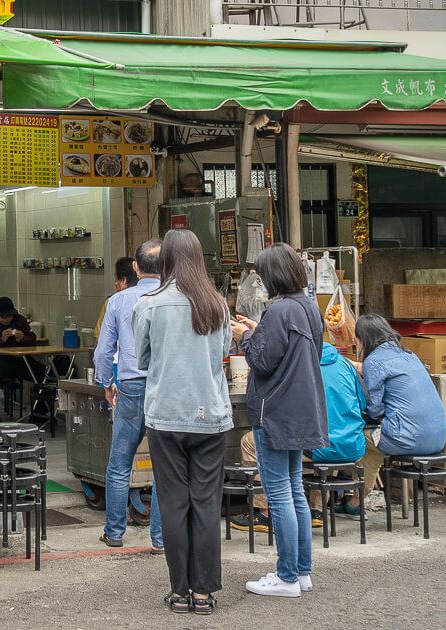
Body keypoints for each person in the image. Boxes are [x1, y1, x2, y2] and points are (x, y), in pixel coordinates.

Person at [133, 229, 233, 615]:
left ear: (167, 261)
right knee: (206, 504)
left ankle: (179, 592)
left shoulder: (150, 304)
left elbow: (142, 360)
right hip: (210, 416)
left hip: (165, 417)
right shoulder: (218, 305)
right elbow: (223, 353)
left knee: (173, 503)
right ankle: (204, 593)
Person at [232, 243, 329, 599]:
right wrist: (259, 329)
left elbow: (262, 362)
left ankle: (286, 576)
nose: (259, 283)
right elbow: (299, 354)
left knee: (279, 496)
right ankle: (302, 572)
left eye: (261, 277)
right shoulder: (308, 307)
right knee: (295, 492)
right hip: (301, 411)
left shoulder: (280, 311)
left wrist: (247, 336)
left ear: (273, 277)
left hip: (275, 413)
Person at [232, 341, 367, 531]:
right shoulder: (345, 364)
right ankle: (317, 510)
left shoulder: (297, 365)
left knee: (250, 441)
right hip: (352, 446)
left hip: (319, 447)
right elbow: (364, 403)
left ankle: (264, 512)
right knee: (332, 436)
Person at [93, 240, 163, 553]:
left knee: (120, 464)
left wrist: (107, 382)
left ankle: (115, 533)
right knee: (166, 467)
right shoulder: (175, 298)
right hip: (165, 388)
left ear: (135, 268)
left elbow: (104, 351)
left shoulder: (119, 301)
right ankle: (161, 539)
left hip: (131, 386)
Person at [356, 313, 446, 457]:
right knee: (375, 438)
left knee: (357, 440)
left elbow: (374, 411)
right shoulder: (409, 355)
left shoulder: (373, 361)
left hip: (406, 441)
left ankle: (363, 480)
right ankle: (371, 481)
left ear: (363, 340)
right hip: (439, 440)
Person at [0, 296, 39, 396]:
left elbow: (33, 341)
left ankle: (42, 407)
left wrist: (22, 338)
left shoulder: (19, 319)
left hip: (19, 360)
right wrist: (1, 339)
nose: (8, 319)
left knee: (42, 373)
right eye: (4, 317)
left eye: (10, 316)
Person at [96, 256, 139, 338]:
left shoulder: (112, 302)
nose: (115, 283)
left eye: (116, 279)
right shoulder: (149, 298)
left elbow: (101, 338)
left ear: (124, 280)